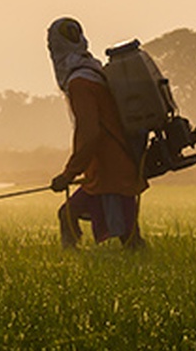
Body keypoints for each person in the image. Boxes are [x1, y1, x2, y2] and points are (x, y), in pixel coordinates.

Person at [47, 17, 147, 250]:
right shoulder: (94, 70)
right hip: (111, 168)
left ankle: (71, 264)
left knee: (130, 238)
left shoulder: (80, 82)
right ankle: (71, 264)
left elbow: (90, 132)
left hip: (109, 170)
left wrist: (68, 174)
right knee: (68, 215)